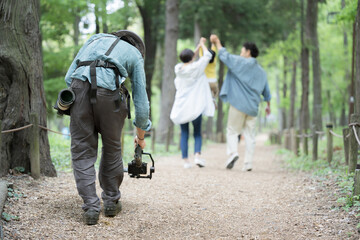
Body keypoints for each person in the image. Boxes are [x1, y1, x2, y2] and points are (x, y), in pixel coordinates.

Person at [64, 30, 151, 225]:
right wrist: (141, 135)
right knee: (112, 147)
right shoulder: (135, 54)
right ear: (137, 46)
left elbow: (69, 77)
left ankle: (91, 207)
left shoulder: (94, 39)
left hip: (78, 89)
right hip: (109, 96)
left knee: (82, 150)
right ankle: (111, 201)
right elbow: (141, 102)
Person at [210, 34, 271, 172]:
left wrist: (218, 42)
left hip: (238, 104)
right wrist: (268, 106)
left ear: (248, 52)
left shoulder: (240, 63)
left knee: (232, 130)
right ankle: (248, 163)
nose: (240, 53)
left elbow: (225, 56)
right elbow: (266, 92)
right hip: (253, 108)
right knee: (250, 135)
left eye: (242, 51)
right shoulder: (262, 72)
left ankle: (233, 153)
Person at [170, 37, 215, 169]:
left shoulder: (178, 69)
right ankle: (197, 156)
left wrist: (197, 48)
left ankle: (186, 161)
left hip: (182, 107)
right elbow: (207, 55)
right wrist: (202, 45)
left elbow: (190, 59)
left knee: (184, 133)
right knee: (197, 133)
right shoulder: (197, 68)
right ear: (192, 58)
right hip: (195, 106)